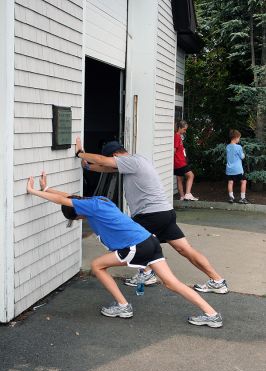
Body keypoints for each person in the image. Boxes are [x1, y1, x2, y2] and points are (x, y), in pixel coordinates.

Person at [26, 173, 223, 328]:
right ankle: (212, 314)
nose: (81, 220)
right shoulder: (99, 200)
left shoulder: (88, 209)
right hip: (150, 240)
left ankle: (122, 306)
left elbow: (65, 201)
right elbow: (69, 198)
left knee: (97, 266)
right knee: (172, 283)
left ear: (79, 214)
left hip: (136, 246)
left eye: (78, 219)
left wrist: (35, 192)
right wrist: (48, 188)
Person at [75, 137, 228, 294]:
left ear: (114, 155)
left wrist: (80, 153)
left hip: (150, 214)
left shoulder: (130, 162)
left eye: (110, 159)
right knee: (184, 249)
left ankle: (147, 273)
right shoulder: (136, 160)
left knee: (132, 242)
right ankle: (217, 280)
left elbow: (103, 161)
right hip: (165, 213)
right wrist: (88, 167)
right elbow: (105, 168)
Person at [174, 120, 198, 201]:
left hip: (177, 163)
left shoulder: (178, 136)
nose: (185, 131)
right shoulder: (177, 136)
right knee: (191, 175)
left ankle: (182, 196)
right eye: (184, 129)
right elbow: (174, 150)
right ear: (179, 128)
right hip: (180, 162)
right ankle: (187, 194)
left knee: (179, 178)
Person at [226, 129, 249, 204]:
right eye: (239, 138)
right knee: (244, 181)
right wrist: (243, 154)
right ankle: (242, 198)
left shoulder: (227, 147)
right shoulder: (239, 147)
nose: (239, 139)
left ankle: (231, 197)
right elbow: (242, 157)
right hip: (238, 169)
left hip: (229, 169)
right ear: (236, 137)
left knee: (230, 182)